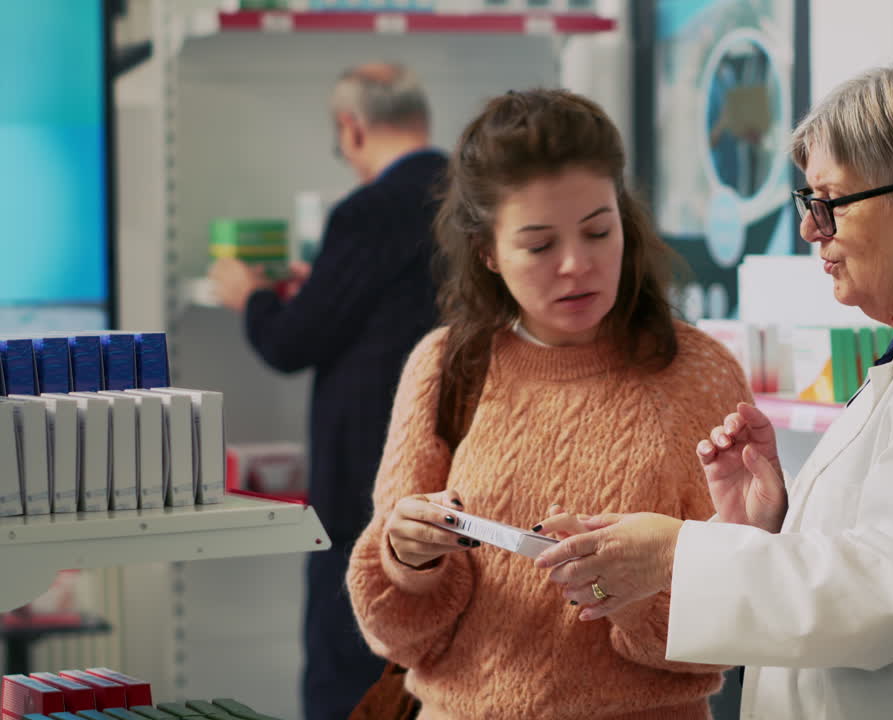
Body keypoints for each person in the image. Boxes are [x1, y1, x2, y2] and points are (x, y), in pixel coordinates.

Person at [534, 55, 893, 720]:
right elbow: (885, 555)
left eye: (830, 202)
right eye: (809, 203)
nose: (811, 228)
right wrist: (774, 523)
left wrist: (677, 554)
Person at [343, 88, 754, 720]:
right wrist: (406, 559)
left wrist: (626, 591)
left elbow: (732, 615)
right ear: (487, 251)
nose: (576, 265)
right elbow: (397, 635)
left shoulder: (696, 374)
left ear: (625, 219)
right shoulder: (446, 366)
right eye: (538, 245)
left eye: (598, 230)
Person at [207, 62, 448, 720]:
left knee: (347, 679)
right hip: (452, 485)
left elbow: (290, 344)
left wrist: (249, 295)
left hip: (360, 498)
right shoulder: (473, 199)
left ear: (352, 128)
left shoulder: (366, 212)